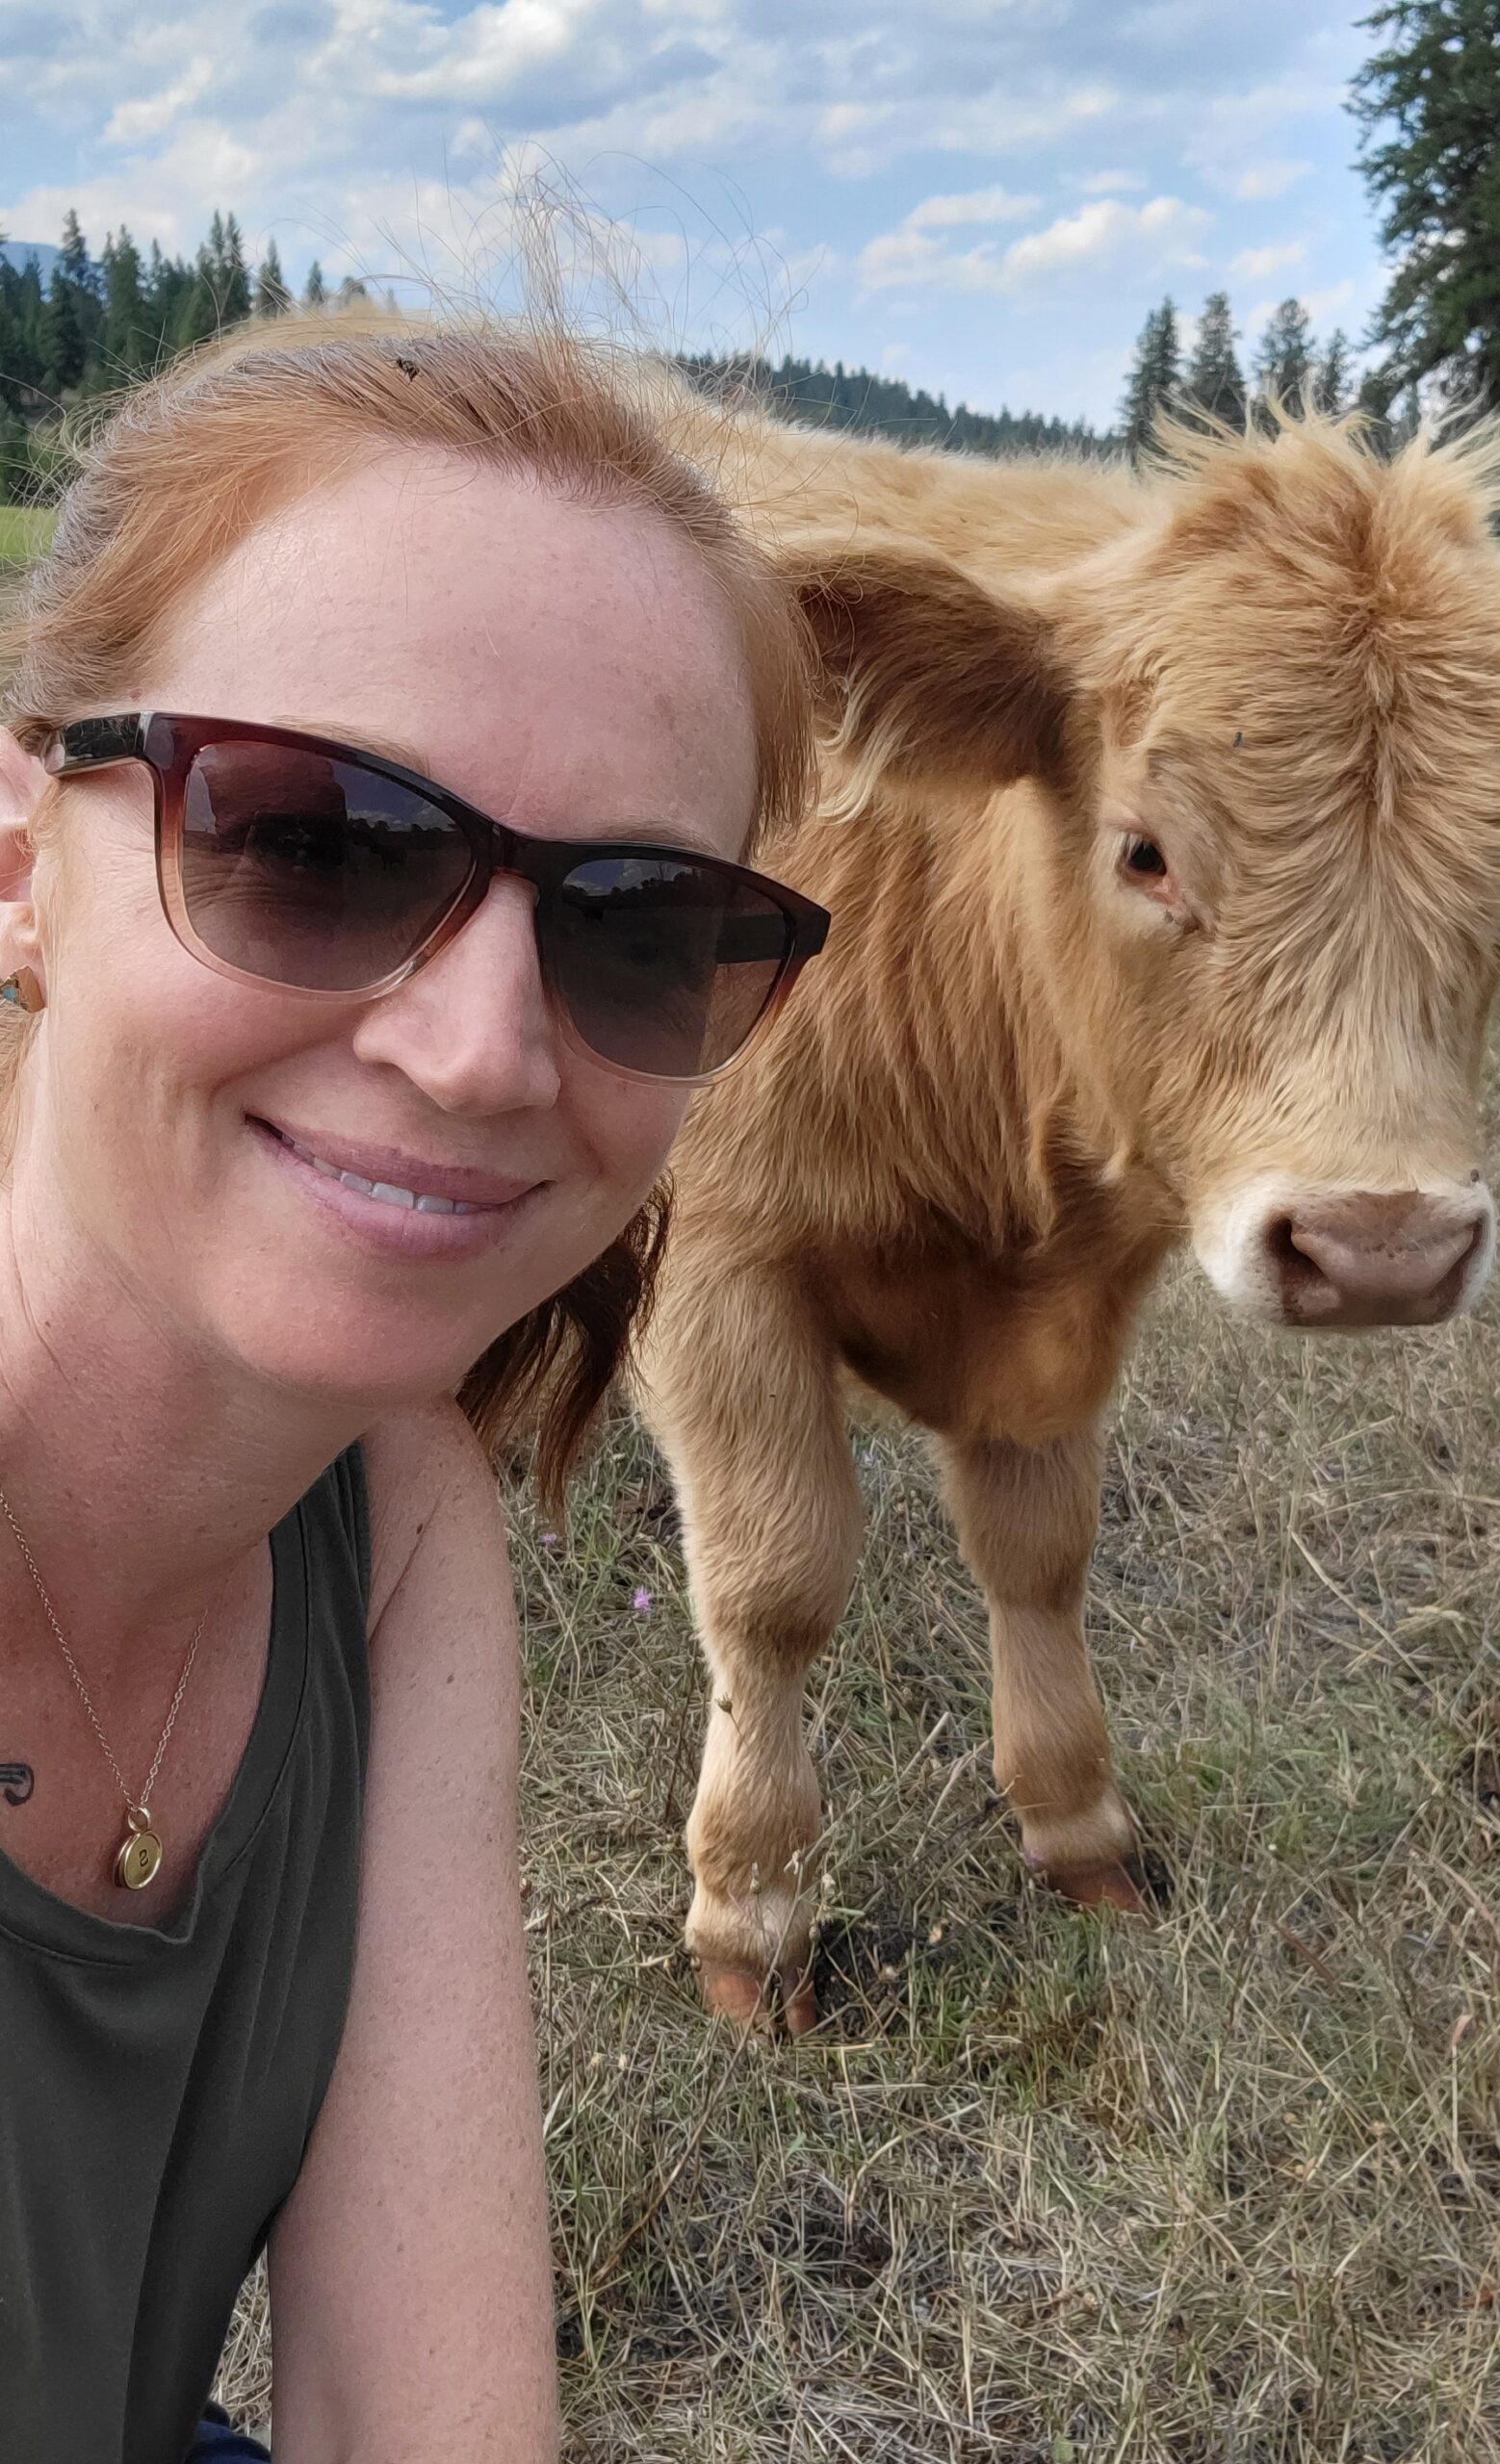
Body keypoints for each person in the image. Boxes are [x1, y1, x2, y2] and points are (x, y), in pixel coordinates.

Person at [0, 315, 822, 2463]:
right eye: (316, 841)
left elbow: (421, 2410)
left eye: (639, 925)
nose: (479, 1050)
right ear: (19, 856)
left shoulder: (397, 1513)